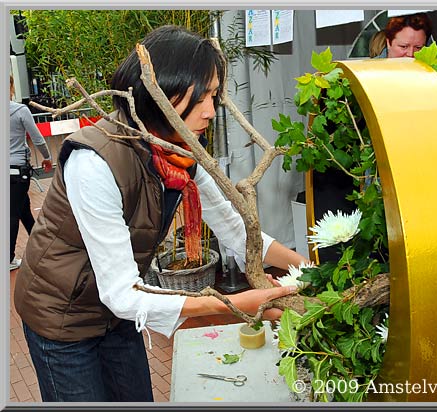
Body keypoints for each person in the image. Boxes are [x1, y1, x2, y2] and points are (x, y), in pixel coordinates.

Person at [14, 25, 307, 402]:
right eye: (200, 96)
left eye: (215, 96)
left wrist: (306, 268)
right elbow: (122, 293)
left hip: (118, 314)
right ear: (160, 92)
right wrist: (233, 305)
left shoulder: (182, 152)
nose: (209, 111)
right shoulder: (94, 161)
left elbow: (237, 233)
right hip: (61, 318)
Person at [9, 74, 53, 271]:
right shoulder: (19, 110)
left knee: (24, 209)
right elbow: (37, 138)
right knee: (12, 213)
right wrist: (47, 157)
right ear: (11, 86)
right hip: (17, 170)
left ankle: (41, 247)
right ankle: (8, 258)